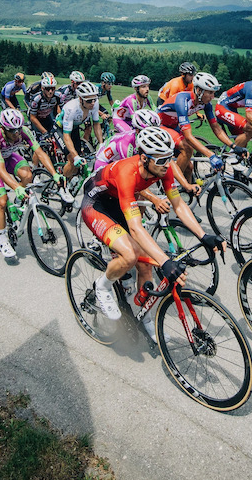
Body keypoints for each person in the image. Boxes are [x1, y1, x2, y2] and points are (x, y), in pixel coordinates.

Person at [80, 127, 225, 343]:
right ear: (144, 158)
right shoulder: (127, 173)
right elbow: (137, 229)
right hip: (97, 205)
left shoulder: (163, 169)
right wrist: (165, 262)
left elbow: (178, 204)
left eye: (170, 157)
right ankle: (103, 286)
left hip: (120, 203)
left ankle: (145, 318)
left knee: (145, 264)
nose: (167, 164)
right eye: (161, 160)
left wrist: (204, 236)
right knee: (131, 254)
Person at [0, 108, 70, 260]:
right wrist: (16, 187)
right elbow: (0, 169)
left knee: (28, 175)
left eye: (18, 129)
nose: (16, 134)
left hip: (8, 155)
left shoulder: (24, 131)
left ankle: (17, 202)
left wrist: (54, 174)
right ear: (3, 128)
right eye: (12, 131)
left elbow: (40, 153)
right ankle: (3, 240)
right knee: (1, 201)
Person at [157, 71, 236, 180]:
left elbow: (216, 128)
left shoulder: (206, 104)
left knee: (189, 168)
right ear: (199, 90)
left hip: (173, 126)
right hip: (161, 126)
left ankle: (188, 193)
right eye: (210, 93)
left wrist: (234, 146)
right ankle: (171, 185)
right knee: (188, 148)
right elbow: (188, 137)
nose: (213, 97)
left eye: (214, 93)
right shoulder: (182, 100)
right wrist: (211, 155)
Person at [60, 81, 102, 181]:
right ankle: (62, 186)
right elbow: (66, 136)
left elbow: (96, 124)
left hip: (74, 128)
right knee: (72, 159)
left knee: (77, 165)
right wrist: (75, 156)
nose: (92, 103)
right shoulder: (71, 108)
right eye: (89, 101)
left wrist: (101, 143)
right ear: (80, 99)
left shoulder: (95, 104)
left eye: (94, 99)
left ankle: (70, 179)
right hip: (61, 130)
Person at [26, 72, 63, 137]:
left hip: (46, 116)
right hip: (36, 118)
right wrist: (44, 132)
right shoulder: (36, 98)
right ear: (42, 88)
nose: (50, 91)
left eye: (53, 88)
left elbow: (59, 109)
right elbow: (33, 117)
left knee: (54, 134)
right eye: (48, 89)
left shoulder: (58, 96)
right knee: (40, 137)